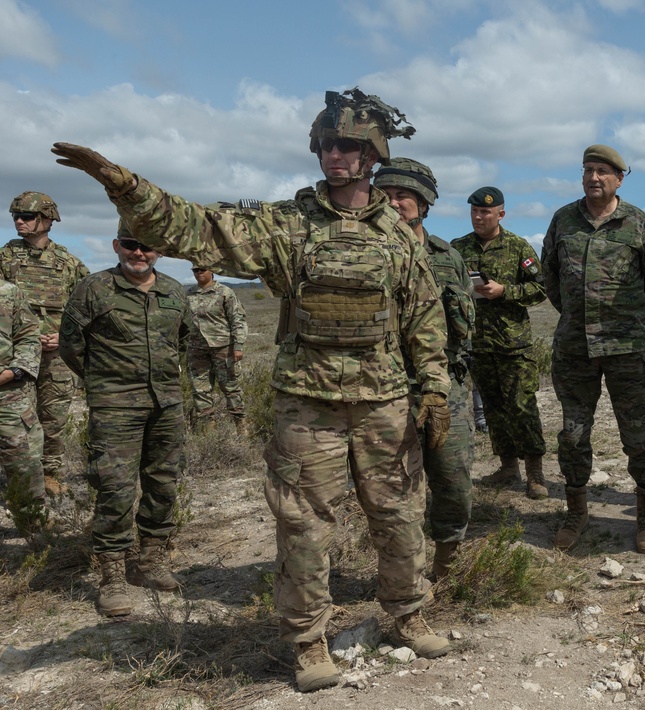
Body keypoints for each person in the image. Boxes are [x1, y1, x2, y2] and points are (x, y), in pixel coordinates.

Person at [53, 87, 452, 693]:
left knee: (398, 514)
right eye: (326, 144)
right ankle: (309, 641)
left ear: (371, 156)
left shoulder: (399, 235)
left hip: (383, 399)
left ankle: (408, 614)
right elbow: (196, 228)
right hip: (307, 400)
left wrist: (436, 388)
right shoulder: (285, 224)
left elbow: (423, 314)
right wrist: (124, 185)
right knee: (302, 524)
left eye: (348, 146)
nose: (335, 155)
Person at [59, 223, 191, 616]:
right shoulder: (94, 288)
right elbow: (70, 346)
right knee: (114, 488)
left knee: (163, 482)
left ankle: (150, 560)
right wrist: (105, 382)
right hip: (115, 406)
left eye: (146, 246)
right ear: (117, 246)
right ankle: (112, 575)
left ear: (159, 251)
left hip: (166, 404)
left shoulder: (173, 291)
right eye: (130, 245)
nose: (138, 253)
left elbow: (183, 340)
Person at [541, 145, 645, 553]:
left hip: (626, 347)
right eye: (587, 170)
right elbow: (551, 279)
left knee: (637, 434)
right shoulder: (563, 220)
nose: (594, 177)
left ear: (619, 179)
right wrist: (578, 317)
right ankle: (577, 511)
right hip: (574, 348)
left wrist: (627, 320)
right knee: (573, 435)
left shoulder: (638, 223)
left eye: (602, 172)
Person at [374, 157, 475, 581]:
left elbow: (467, 326)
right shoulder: (367, 251)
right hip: (384, 388)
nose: (395, 204)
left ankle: (447, 564)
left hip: (443, 385)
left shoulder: (447, 258)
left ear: (425, 203)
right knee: (394, 489)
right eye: (388, 195)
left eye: (404, 196)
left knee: (452, 482)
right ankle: (404, 575)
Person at [452, 187, 548, 499]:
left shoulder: (518, 247)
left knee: (522, 406)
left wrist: (506, 291)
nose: (478, 217)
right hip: (478, 344)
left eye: (485, 213)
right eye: (474, 212)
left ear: (500, 215)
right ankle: (508, 467)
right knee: (493, 408)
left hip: (513, 344)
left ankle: (535, 474)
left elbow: (541, 287)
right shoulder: (458, 248)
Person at [2, 192, 89, 497]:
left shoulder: (69, 263)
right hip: (16, 358)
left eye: (26, 216)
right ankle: (23, 478)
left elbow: (87, 308)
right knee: (18, 422)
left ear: (47, 219)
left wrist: (66, 337)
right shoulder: (4, 258)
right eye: (16, 216)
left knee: (53, 418)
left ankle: (51, 474)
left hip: (55, 355)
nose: (19, 221)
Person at [0, 275, 44, 537]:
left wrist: (13, 372)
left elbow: (28, 336)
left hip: (7, 392)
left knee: (23, 458)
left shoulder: (9, 292)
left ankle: (33, 524)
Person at [186, 266, 248, 429]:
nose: (199, 273)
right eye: (195, 270)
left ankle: (241, 425)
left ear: (212, 271)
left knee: (230, 387)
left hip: (223, 348)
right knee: (200, 389)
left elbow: (238, 319)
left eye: (202, 269)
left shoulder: (225, 292)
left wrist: (238, 345)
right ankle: (208, 428)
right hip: (197, 349)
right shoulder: (189, 294)